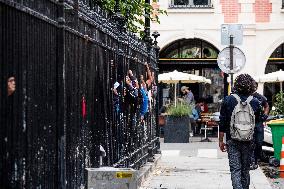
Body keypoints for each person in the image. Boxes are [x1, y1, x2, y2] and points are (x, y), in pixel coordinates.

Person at [219, 74, 261, 189]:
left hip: (232, 140)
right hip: (249, 140)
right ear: (251, 86)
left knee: (235, 169)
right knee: (245, 169)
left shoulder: (228, 100)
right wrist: (257, 145)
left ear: (236, 85)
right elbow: (258, 125)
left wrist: (220, 141)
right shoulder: (255, 102)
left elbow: (222, 122)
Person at [250, 82, 270, 170]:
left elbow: (266, 106)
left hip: (258, 122)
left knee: (259, 142)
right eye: (252, 86)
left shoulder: (259, 97)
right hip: (248, 123)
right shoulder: (246, 96)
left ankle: (256, 159)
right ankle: (252, 161)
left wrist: (265, 115)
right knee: (250, 142)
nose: (253, 87)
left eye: (254, 86)